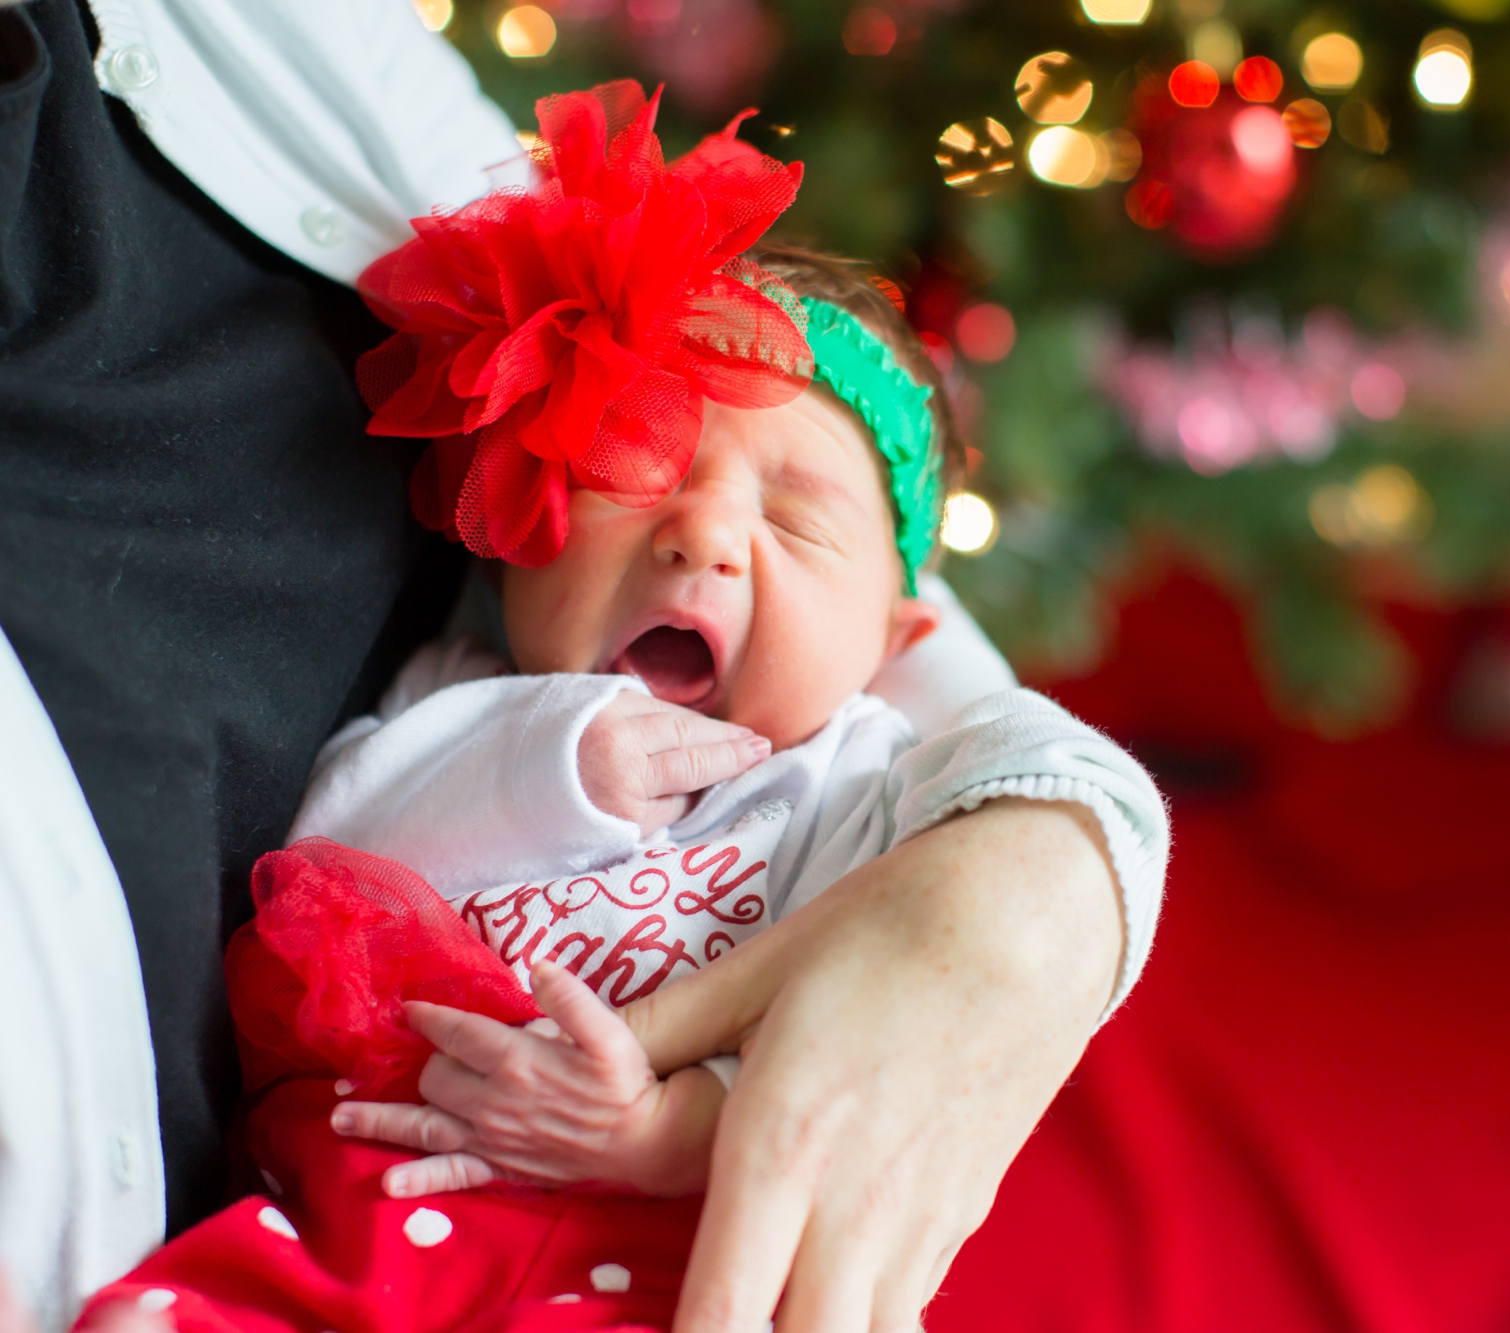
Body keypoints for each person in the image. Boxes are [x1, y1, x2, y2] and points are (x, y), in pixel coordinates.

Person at [0, 5, 1165, 1331]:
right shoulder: (463, 695)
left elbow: (865, 1067)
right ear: (510, 526)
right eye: (644, 457)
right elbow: (343, 845)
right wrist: (554, 759)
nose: (705, 533)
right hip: (366, 1208)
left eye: (793, 523)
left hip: (640, 1256)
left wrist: (670, 1122)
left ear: (904, 643)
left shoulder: (873, 777)